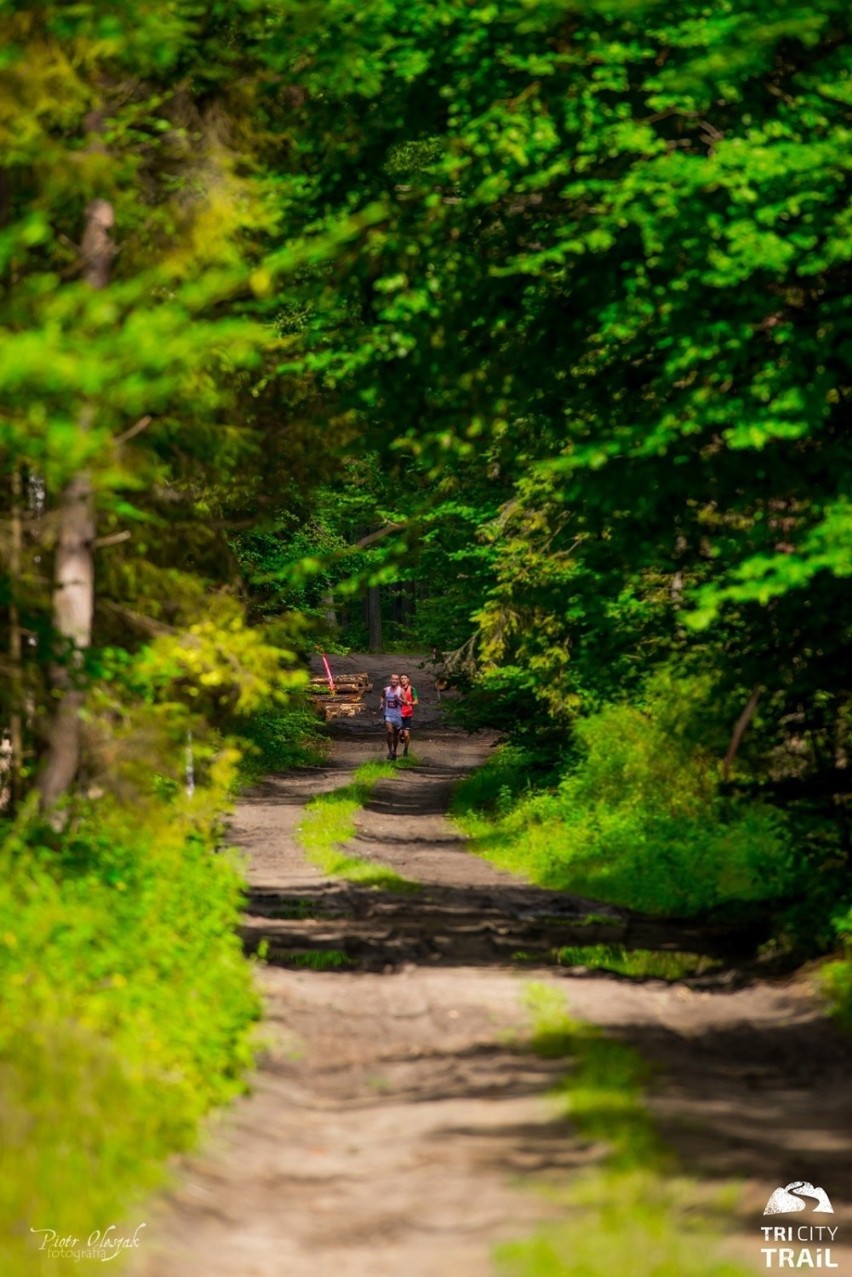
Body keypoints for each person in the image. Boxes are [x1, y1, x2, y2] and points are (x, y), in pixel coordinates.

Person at [379, 673, 404, 760]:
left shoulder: (401, 690)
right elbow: (382, 696)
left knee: (396, 735)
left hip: (397, 715)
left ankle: (395, 751)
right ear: (390, 680)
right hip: (388, 714)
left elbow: (405, 702)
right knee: (390, 731)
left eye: (396, 679)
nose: (394, 681)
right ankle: (390, 751)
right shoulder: (386, 690)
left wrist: (399, 699)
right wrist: (381, 704)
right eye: (393, 679)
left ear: (398, 681)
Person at [399, 674, 419, 756]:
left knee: (406, 734)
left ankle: (406, 750)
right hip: (398, 714)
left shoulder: (412, 689)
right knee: (400, 733)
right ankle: (401, 737)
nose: (403, 680)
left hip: (408, 714)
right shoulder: (398, 689)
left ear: (408, 680)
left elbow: (416, 701)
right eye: (402, 678)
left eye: (405, 678)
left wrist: (409, 703)